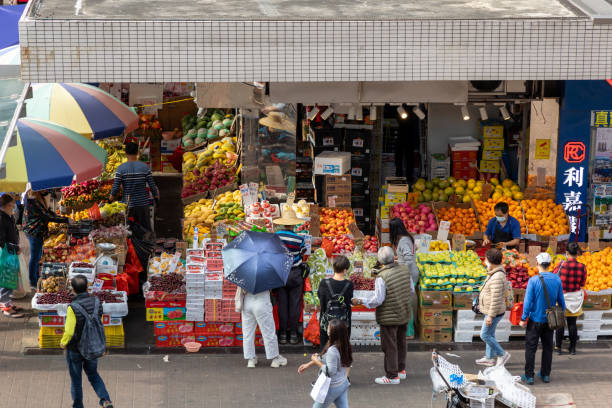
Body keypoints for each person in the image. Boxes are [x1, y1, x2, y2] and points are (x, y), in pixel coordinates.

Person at [352, 246, 412, 385]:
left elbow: (377, 300)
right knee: (401, 341)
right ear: (394, 257)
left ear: (380, 260)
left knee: (390, 345)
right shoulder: (405, 270)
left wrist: (361, 301)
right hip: (403, 311)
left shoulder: (382, 277)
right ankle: (401, 370)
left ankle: (392, 376)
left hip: (388, 316)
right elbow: (410, 290)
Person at [60, 275, 113, 408]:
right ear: (87, 287)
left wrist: (63, 343)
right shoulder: (97, 301)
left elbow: (69, 331)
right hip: (92, 346)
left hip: (75, 350)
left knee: (76, 380)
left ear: (73, 289)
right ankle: (105, 400)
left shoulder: (73, 307)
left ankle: (78, 406)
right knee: (93, 374)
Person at [519, 252, 565, 385]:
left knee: (531, 349)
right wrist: (561, 313)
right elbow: (561, 300)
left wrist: (523, 318)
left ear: (538, 263)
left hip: (535, 320)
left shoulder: (533, 280)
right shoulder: (556, 279)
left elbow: (528, 302)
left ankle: (529, 376)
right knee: (548, 348)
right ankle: (545, 374)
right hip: (550, 321)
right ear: (550, 264)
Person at [298, 319, 352, 408]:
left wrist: (316, 361)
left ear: (333, 333)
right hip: (343, 383)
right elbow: (325, 357)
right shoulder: (345, 344)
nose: (327, 330)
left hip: (332, 388)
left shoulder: (332, 350)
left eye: (328, 328)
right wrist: (308, 364)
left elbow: (330, 371)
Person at [23, 189, 69, 288]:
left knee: (38, 255)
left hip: (35, 230)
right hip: (34, 231)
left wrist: (59, 216)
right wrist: (66, 219)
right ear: (38, 189)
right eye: (44, 188)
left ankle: (36, 277)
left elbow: (47, 212)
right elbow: (46, 216)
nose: (46, 190)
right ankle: (32, 281)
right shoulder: (33, 200)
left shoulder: (35, 196)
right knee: (35, 257)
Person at [273, 207, 306, 345]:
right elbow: (302, 253)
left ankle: (282, 334)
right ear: (293, 224)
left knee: (282, 304)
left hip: (281, 273)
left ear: (282, 223)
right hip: (295, 273)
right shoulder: (300, 238)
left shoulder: (275, 236)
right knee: (295, 304)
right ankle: (293, 334)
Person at [110, 142, 159, 232]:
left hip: (128, 205)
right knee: (144, 230)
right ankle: (146, 245)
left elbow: (115, 187)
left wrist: (110, 199)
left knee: (129, 231)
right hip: (143, 204)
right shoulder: (145, 167)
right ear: (137, 152)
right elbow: (152, 185)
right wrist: (156, 199)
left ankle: (133, 245)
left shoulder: (120, 169)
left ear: (125, 153)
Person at [235, 286, 287, 369]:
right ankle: (274, 358)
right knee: (268, 332)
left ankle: (251, 359)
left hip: (247, 300)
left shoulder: (246, 272)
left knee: (247, 333)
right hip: (263, 299)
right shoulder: (267, 272)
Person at [476, 248, 511, 366]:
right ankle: (489, 358)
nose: (484, 261)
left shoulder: (497, 277)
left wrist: (490, 316)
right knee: (490, 334)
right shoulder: (494, 272)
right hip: (492, 310)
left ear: (490, 261)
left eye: (486, 259)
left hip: (494, 312)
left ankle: (502, 354)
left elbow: (495, 299)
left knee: (484, 335)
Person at [553, 242, 587, 355]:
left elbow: (554, 278)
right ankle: (572, 348)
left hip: (561, 297)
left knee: (560, 325)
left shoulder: (561, 265)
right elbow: (582, 283)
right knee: (572, 324)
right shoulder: (582, 267)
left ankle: (558, 348)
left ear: (566, 253)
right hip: (575, 299)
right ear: (577, 253)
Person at [317, 255, 353, 351]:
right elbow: (349, 300)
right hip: (343, 324)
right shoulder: (349, 284)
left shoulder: (323, 283)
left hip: (327, 324)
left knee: (325, 349)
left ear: (334, 268)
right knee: (342, 348)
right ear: (345, 270)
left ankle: (325, 365)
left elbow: (320, 298)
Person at [0, 194, 24, 318]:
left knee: (10, 280)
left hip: (10, 252)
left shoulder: (8, 216)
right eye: (13, 205)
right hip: (5, 253)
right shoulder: (1, 218)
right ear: (8, 205)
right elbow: (1, 241)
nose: (14, 207)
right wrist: (15, 248)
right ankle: (5, 308)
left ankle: (7, 303)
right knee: (5, 281)